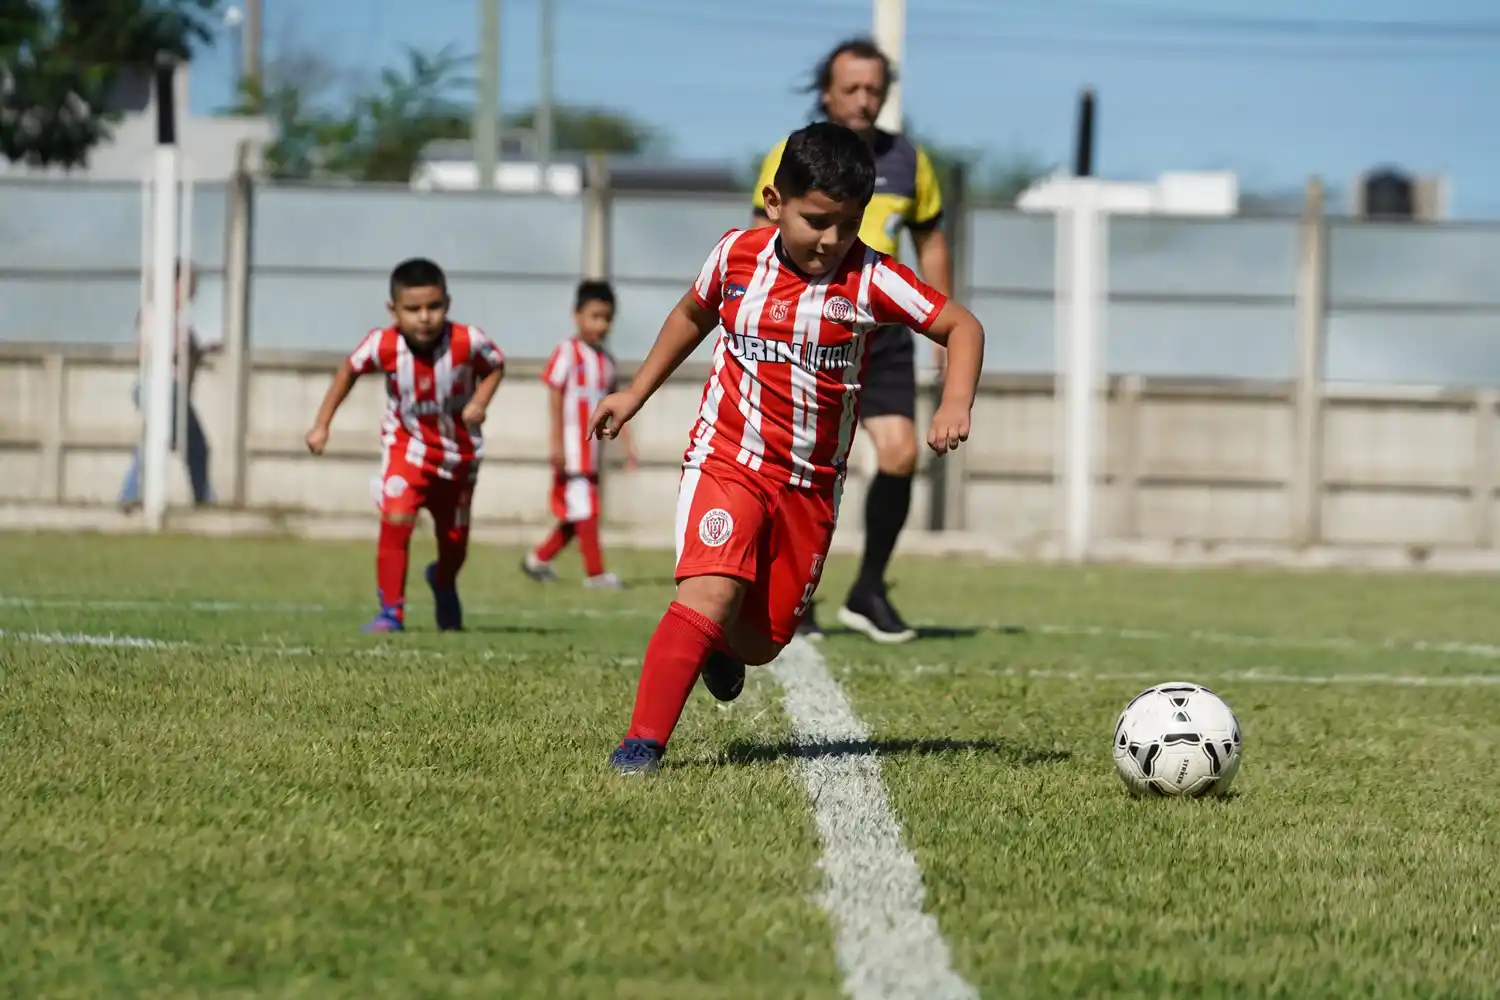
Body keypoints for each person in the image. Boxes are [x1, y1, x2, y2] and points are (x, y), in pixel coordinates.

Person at [592, 121, 984, 774]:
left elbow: (960, 324)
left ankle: (720, 646)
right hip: (728, 456)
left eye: (849, 223)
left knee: (762, 640)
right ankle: (643, 743)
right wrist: (634, 394)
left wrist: (954, 400)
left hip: (809, 484)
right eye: (817, 220)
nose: (831, 239)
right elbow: (692, 315)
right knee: (709, 593)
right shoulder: (733, 257)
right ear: (775, 203)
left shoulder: (871, 279)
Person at [751, 37, 952, 644]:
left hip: (881, 331)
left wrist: (939, 327)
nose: (864, 100)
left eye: (875, 89)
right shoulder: (792, 156)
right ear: (826, 92)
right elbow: (763, 238)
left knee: (899, 453)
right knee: (796, 464)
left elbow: (932, 240)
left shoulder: (909, 162)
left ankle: (867, 591)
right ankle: (791, 595)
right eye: (852, 89)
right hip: (808, 328)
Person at [304, 258, 506, 633]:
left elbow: (496, 365)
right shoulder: (382, 344)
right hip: (406, 448)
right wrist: (321, 424)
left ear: (447, 302)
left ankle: (443, 580)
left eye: (434, 307)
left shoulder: (468, 341)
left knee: (455, 543)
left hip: (458, 455)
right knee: (396, 518)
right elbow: (348, 370)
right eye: (412, 309)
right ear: (392, 310)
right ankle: (391, 612)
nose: (424, 318)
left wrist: (480, 401)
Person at [523, 279, 636, 588]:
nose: (600, 324)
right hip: (573, 449)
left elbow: (617, 404)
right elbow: (556, 396)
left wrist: (626, 444)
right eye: (594, 316)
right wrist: (557, 441)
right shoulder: (566, 353)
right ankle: (596, 573)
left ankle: (538, 559)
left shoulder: (606, 361)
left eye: (606, 318)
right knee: (586, 509)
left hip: (593, 450)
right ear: (577, 315)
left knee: (580, 512)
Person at [119, 259, 216, 510]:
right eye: (189, 283)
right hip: (161, 388)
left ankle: (131, 493)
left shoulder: (178, 318)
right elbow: (148, 352)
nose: (194, 289)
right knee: (187, 444)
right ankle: (204, 498)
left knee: (161, 442)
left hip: (171, 390)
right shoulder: (156, 314)